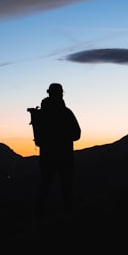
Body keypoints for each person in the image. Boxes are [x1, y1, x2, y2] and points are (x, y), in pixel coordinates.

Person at [33, 82, 81, 223]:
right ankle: (68, 218)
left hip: (47, 157)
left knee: (44, 188)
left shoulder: (42, 114)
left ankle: (39, 219)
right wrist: (63, 137)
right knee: (66, 189)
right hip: (65, 157)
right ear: (61, 94)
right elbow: (76, 134)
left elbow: (39, 140)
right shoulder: (66, 113)